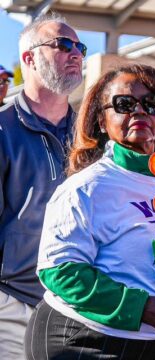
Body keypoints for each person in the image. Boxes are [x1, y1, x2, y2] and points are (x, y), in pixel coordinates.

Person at [24, 63, 155, 359]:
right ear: (102, 120)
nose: (139, 111)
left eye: (152, 104)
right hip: (90, 342)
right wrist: (139, 307)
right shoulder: (87, 188)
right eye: (124, 104)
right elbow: (59, 271)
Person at [0, 13, 85, 359]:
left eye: (79, 46)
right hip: (12, 305)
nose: (76, 53)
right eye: (62, 44)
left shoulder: (93, 137)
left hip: (78, 308)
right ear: (29, 58)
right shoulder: (3, 131)